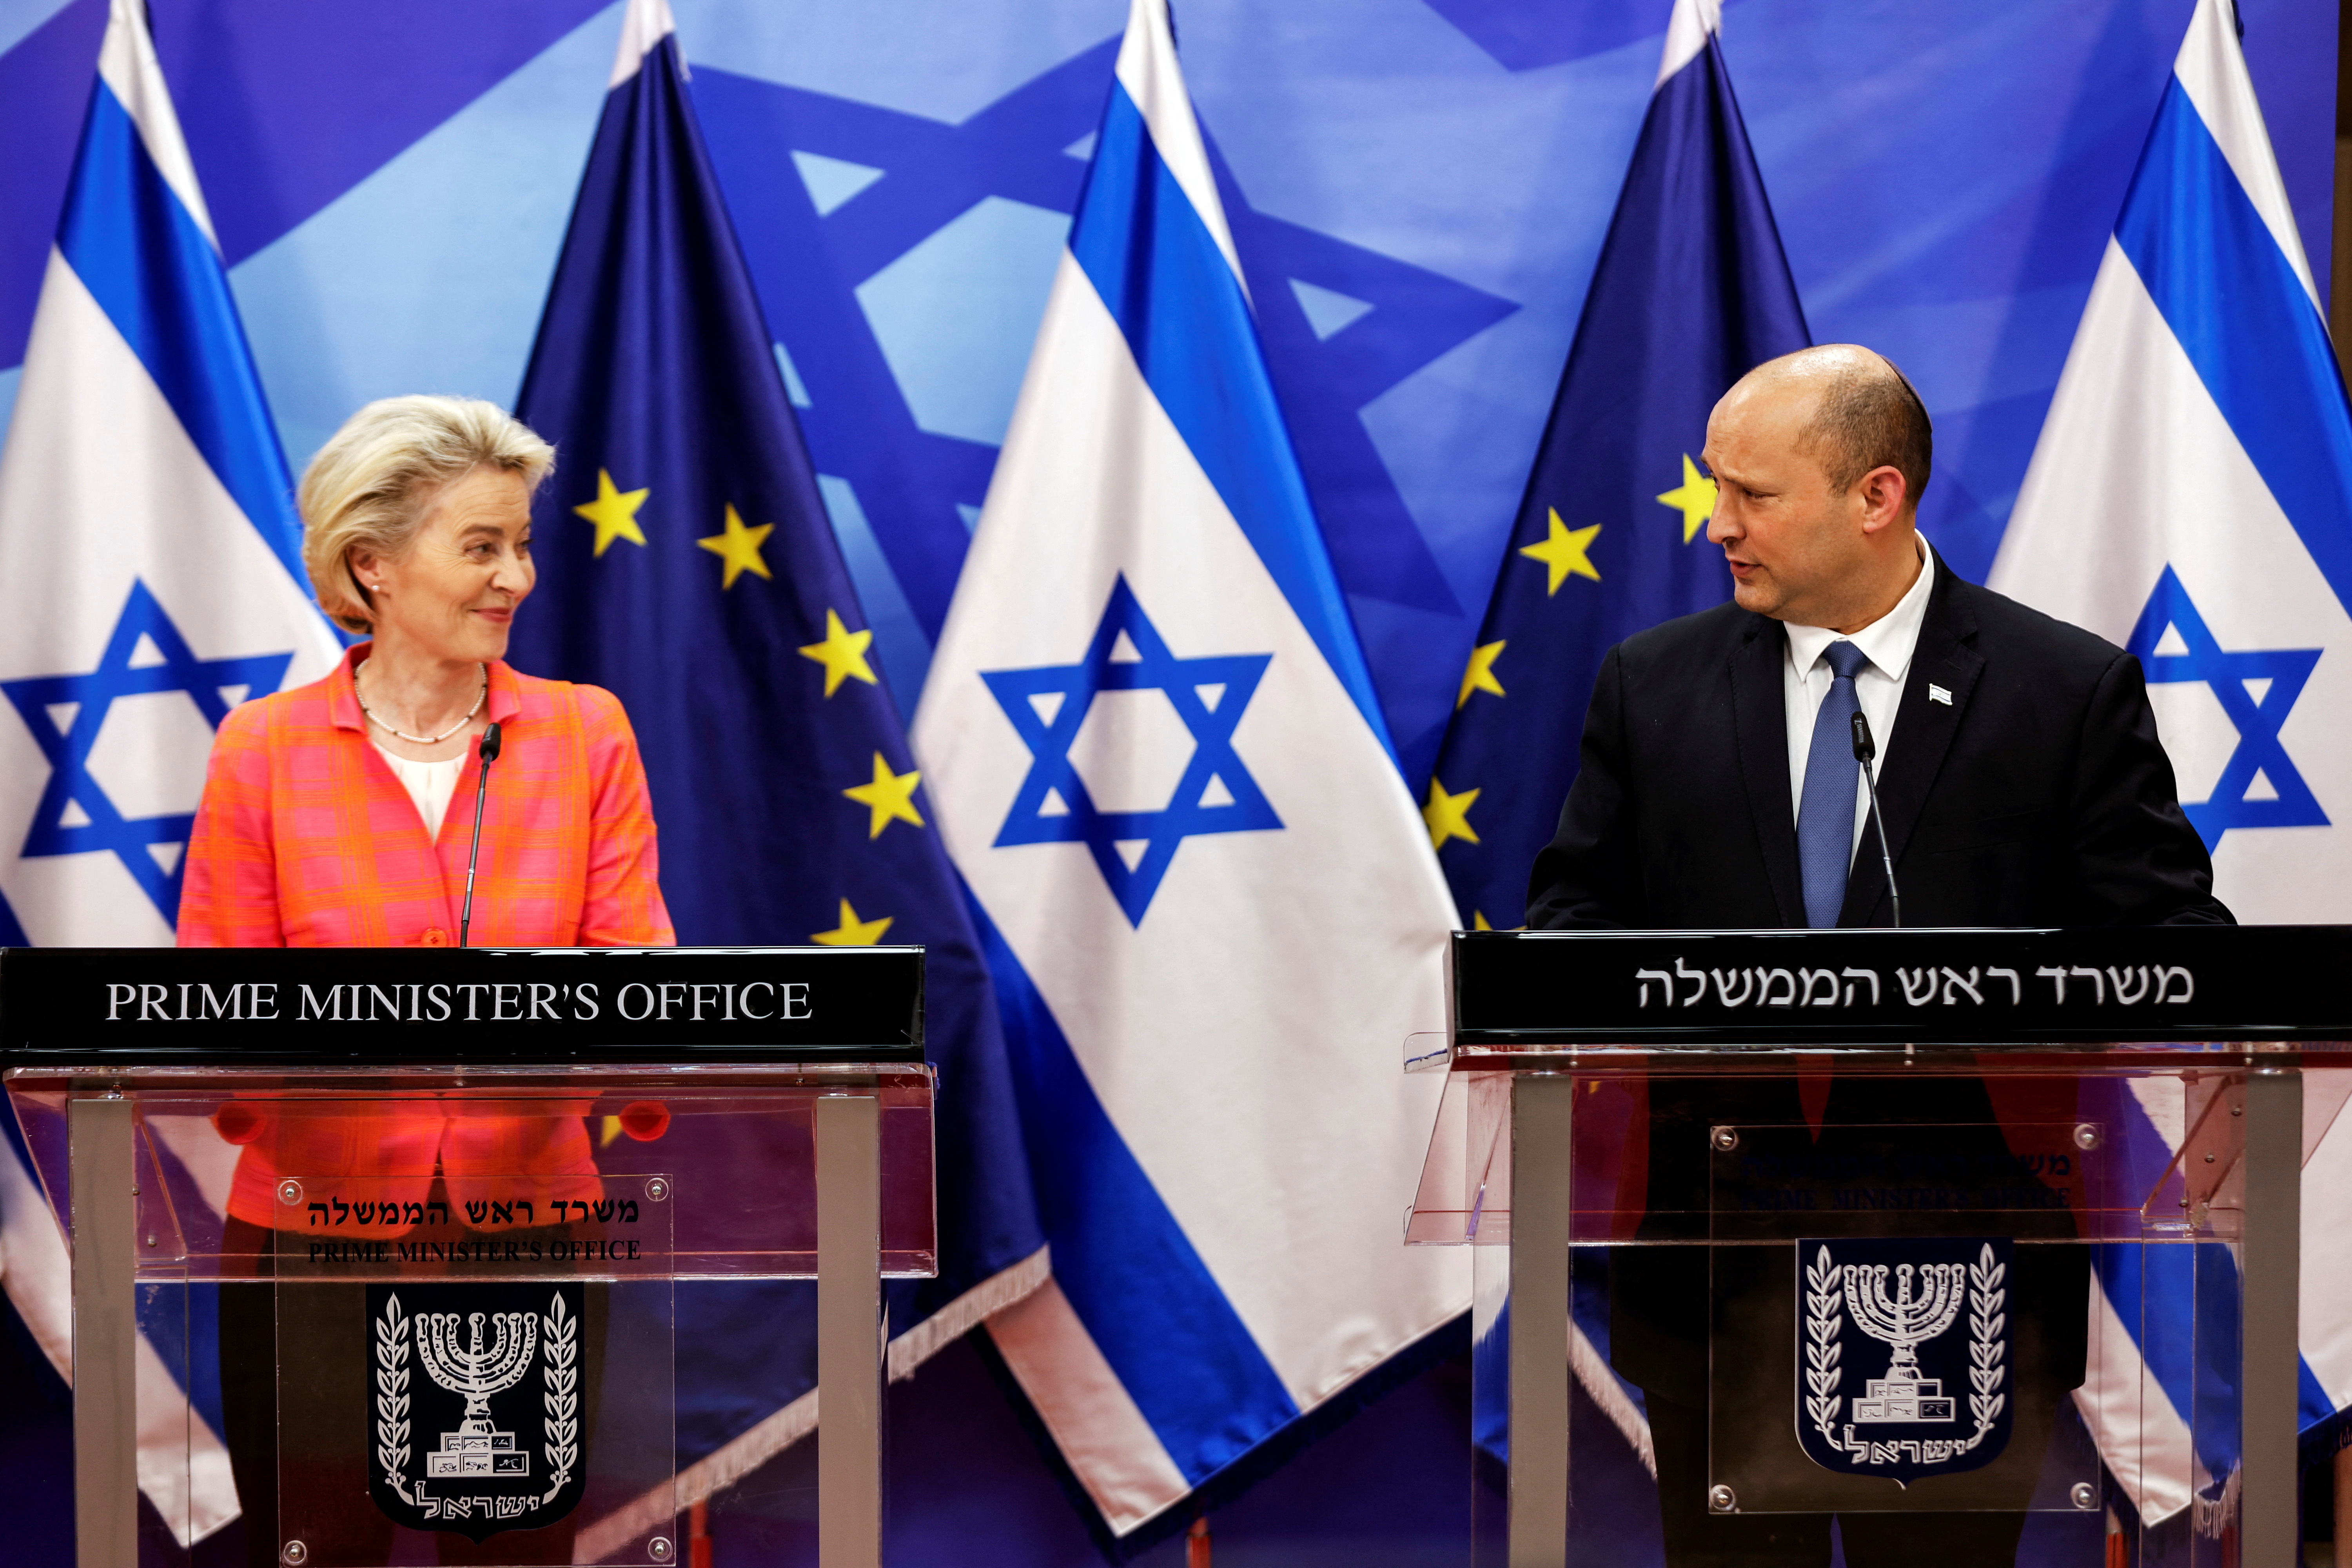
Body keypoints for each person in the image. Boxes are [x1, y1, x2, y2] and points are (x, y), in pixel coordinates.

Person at [1524, 346, 2229, 1565]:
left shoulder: (2062, 692)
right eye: (1714, 486)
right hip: (1716, 1271)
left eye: (1753, 494)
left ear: (1876, 496)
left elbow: (2175, 949)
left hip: (1965, 1276)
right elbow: (1569, 921)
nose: (1719, 523)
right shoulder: (1653, 686)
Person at [180, 395, 673, 1567]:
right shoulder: (264, 749)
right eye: (482, 546)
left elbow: (630, 980)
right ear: (373, 565)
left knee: (508, 1559)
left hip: (529, 1221)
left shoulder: (585, 734)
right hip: (315, 1227)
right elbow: (221, 1011)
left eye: (521, 543)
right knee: (317, 1551)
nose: (519, 576)